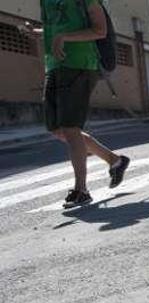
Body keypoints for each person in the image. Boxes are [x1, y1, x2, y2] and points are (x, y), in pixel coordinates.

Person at [20, 0, 130, 209]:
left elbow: (100, 30)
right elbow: (60, 27)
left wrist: (63, 37)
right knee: (59, 130)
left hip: (80, 64)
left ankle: (81, 190)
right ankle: (115, 161)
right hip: (54, 66)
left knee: (71, 128)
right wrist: (38, 32)